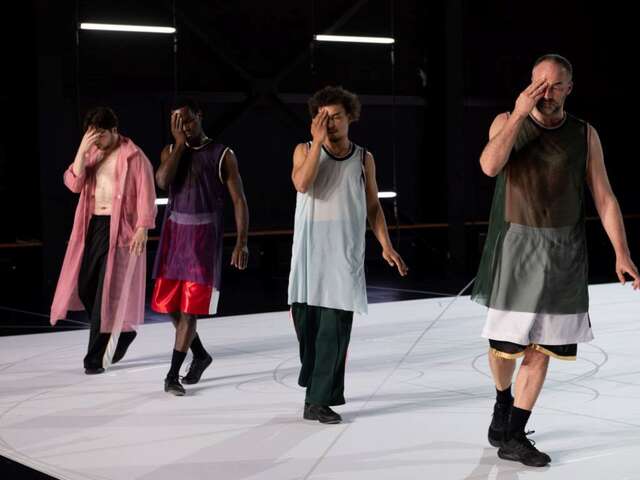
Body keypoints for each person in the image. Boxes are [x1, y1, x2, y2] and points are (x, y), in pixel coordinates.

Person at [472, 54, 640, 466]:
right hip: (516, 248)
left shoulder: (584, 135)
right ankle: (502, 400)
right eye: (539, 84)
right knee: (505, 348)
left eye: (555, 85)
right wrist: (518, 114)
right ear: (530, 85)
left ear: (569, 88)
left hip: (564, 251)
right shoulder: (506, 122)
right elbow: (490, 166)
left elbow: (604, 196)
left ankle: (514, 433)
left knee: (543, 349)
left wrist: (622, 252)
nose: (547, 93)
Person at [288, 86, 408, 424]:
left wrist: (386, 244)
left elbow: (372, 205)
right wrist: (316, 144)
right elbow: (302, 184)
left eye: (336, 116)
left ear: (350, 117)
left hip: (343, 254)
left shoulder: (363, 157)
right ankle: (314, 383)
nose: (330, 123)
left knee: (334, 329)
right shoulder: (303, 150)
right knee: (307, 326)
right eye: (323, 117)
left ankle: (318, 400)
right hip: (310, 255)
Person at [153, 98, 250, 396]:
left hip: (202, 241)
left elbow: (239, 200)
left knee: (189, 310)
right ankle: (202, 355)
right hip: (173, 238)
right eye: (177, 123)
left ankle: (172, 376)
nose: (184, 127)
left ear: (200, 114)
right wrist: (180, 144)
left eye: (188, 120)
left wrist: (241, 242)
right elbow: (162, 181)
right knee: (169, 306)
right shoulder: (171, 151)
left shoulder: (222, 154)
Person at [51, 106, 157, 374]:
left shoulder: (134, 156)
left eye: (101, 135)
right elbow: (73, 184)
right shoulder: (92, 154)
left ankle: (94, 359)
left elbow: (147, 193)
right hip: (92, 228)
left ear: (114, 130)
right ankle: (122, 333)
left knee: (104, 296)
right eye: (92, 136)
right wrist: (81, 150)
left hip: (120, 228)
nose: (97, 141)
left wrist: (143, 227)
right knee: (86, 286)